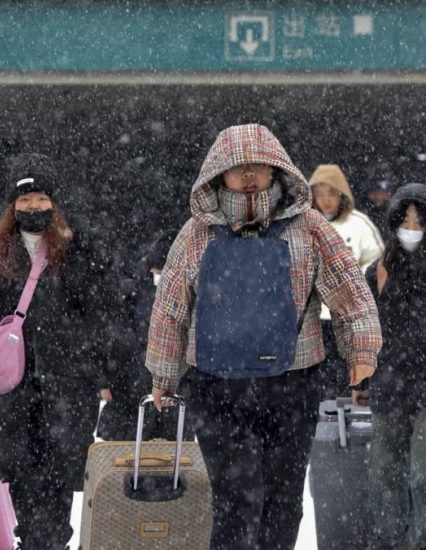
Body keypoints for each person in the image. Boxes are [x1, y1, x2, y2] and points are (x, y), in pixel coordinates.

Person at [147, 124, 382, 550]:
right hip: (217, 386)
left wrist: (360, 351)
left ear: (278, 171)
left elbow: (351, 294)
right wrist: (164, 373)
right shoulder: (196, 233)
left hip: (292, 382)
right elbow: (171, 307)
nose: (250, 175)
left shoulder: (310, 228)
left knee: (283, 496)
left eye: (259, 165)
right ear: (219, 176)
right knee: (235, 498)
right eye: (238, 169)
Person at [0, 153, 112, 549]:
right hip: (12, 385)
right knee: (23, 475)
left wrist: (97, 368)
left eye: (40, 198)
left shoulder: (79, 248)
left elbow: (99, 309)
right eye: (24, 199)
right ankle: (36, 541)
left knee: (58, 478)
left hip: (66, 385)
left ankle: (51, 542)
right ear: (12, 205)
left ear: (54, 201)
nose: (33, 207)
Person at [363, 183, 426, 550]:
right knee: (384, 470)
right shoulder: (379, 271)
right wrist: (361, 379)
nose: (412, 229)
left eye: (420, 221)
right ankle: (389, 539)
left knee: (421, 472)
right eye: (406, 219)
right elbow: (366, 331)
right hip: (391, 382)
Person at [97, 227, 197, 441]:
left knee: (174, 455)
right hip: (130, 383)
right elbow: (111, 337)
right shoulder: (128, 293)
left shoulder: (192, 291)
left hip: (172, 383)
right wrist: (104, 380)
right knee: (129, 455)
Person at [309, 164, 384, 397]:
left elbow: (375, 264)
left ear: (342, 194)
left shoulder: (359, 224)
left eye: (331, 193)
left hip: (347, 315)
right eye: (319, 194)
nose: (326, 200)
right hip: (312, 319)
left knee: (349, 377)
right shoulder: (305, 225)